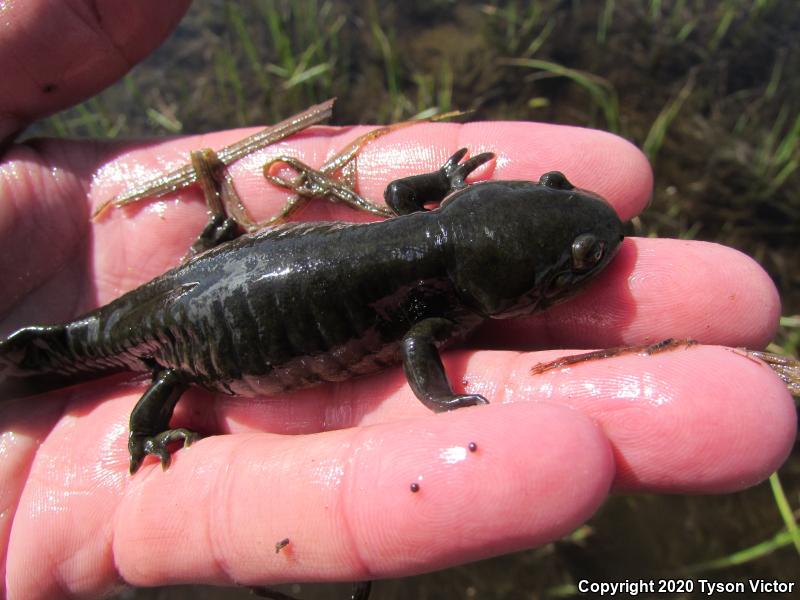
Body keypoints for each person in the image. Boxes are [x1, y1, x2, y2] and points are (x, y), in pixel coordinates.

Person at [0, 2, 794, 598]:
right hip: (181, 330)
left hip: (194, 283)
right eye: (579, 259)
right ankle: (141, 429)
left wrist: (450, 188)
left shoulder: (434, 227)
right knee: (161, 375)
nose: (596, 245)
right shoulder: (435, 300)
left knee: (149, 338)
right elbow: (420, 350)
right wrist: (445, 404)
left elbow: (409, 214)